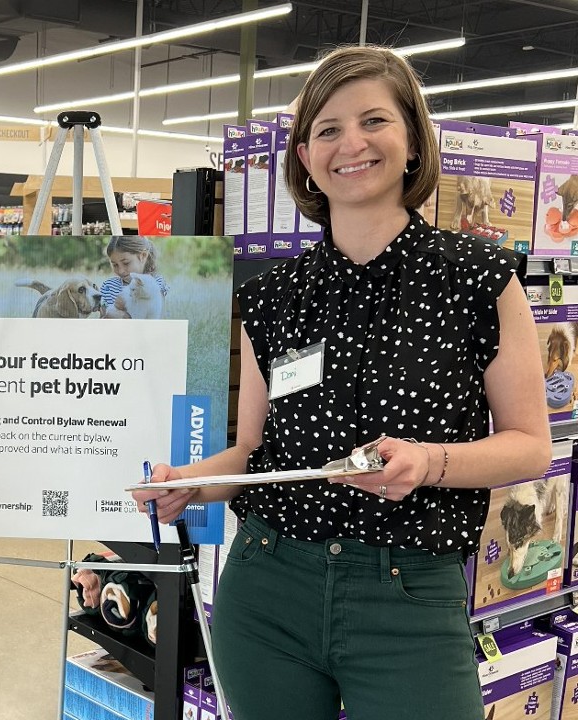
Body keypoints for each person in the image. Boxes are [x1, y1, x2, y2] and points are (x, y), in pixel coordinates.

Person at [133, 46, 550, 720]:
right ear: (304, 157)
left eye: (373, 121)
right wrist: (189, 481)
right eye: (327, 129)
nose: (350, 143)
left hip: (409, 594)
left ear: (413, 139)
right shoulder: (272, 299)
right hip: (268, 588)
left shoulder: (478, 279)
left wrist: (429, 462)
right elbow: (256, 453)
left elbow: (531, 445)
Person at [99, 236, 169, 319]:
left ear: (143, 256)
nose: (120, 271)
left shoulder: (155, 283)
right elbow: (102, 321)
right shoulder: (109, 286)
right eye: (115, 265)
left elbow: (158, 318)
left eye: (126, 263)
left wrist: (125, 315)